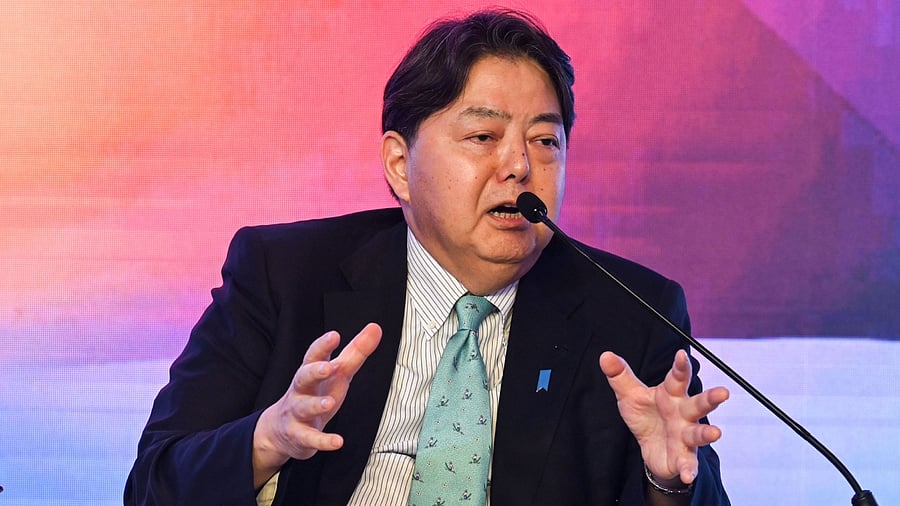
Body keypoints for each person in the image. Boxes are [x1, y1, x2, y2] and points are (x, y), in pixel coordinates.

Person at [126, 8, 730, 505]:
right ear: (400, 165)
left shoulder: (631, 314)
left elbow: (680, 481)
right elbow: (153, 485)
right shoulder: (284, 276)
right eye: (482, 137)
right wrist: (268, 438)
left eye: (545, 141)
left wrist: (667, 484)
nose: (520, 166)